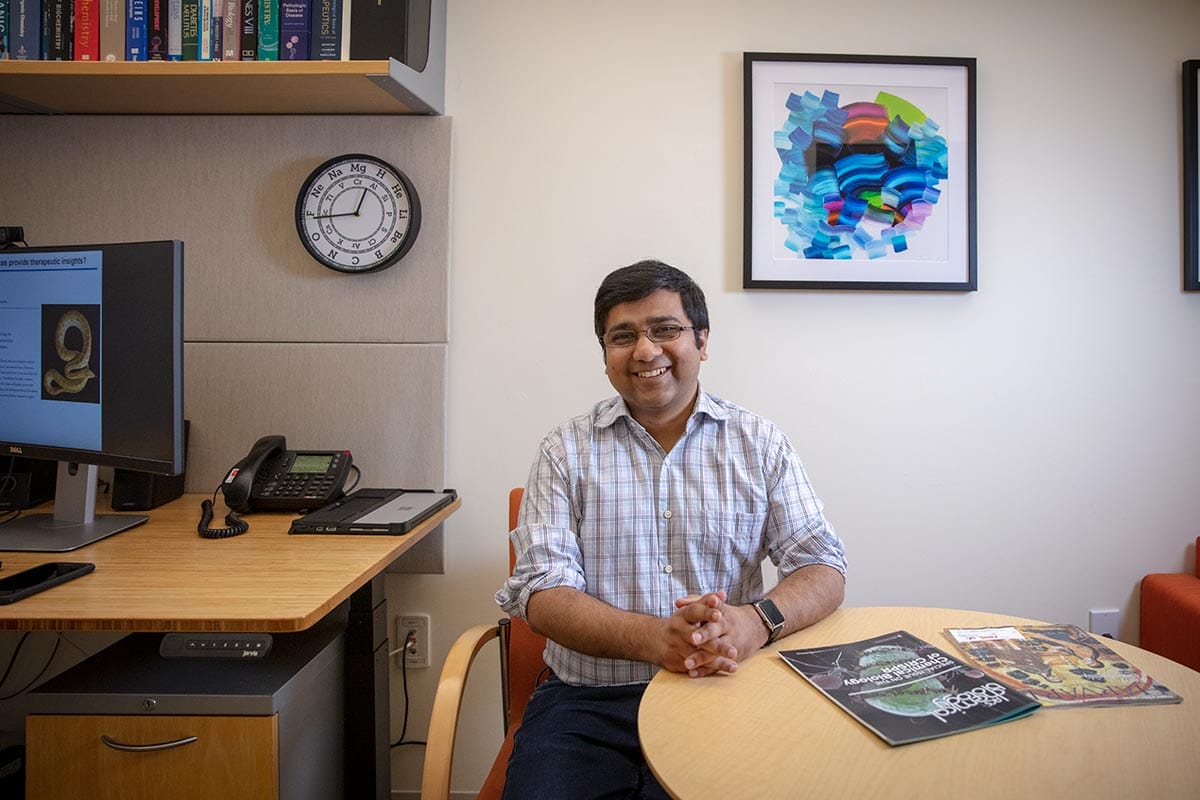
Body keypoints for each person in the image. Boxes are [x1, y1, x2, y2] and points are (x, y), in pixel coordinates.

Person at [495, 260, 847, 799]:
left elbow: (823, 566)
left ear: (701, 341)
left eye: (666, 329)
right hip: (585, 704)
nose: (645, 350)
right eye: (623, 336)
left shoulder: (760, 443)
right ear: (606, 356)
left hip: (723, 690)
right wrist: (656, 639)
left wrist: (755, 623)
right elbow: (542, 595)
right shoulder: (563, 450)